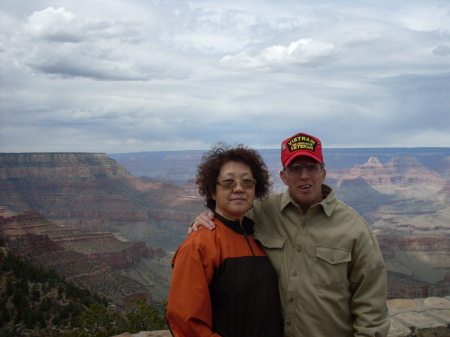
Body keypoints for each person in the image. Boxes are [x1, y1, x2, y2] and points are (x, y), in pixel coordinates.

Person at [190, 133, 390, 337]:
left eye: (311, 167)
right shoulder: (263, 210)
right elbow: (229, 213)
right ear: (284, 177)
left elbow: (371, 309)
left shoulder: (354, 228)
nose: (304, 175)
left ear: (323, 174)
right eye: (295, 169)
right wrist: (207, 217)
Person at [167, 144, 283, 337]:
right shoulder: (199, 245)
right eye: (228, 183)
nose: (239, 188)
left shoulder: (261, 235)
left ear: (256, 189)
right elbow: (186, 322)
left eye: (247, 182)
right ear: (213, 191)